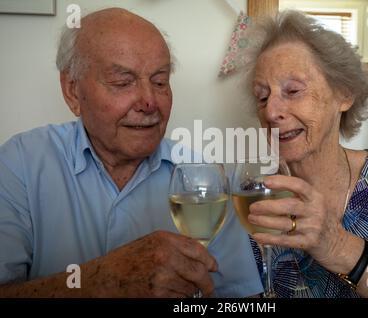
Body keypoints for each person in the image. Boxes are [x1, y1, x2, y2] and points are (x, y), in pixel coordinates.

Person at [0, 8, 262, 297]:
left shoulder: (205, 178)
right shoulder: (20, 164)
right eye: (123, 82)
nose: (149, 101)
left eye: (160, 82)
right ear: (73, 91)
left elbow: (242, 300)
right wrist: (104, 280)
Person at [241, 10, 368, 297]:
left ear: (344, 94)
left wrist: (339, 246)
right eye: (262, 97)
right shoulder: (254, 199)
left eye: (293, 91)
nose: (271, 111)